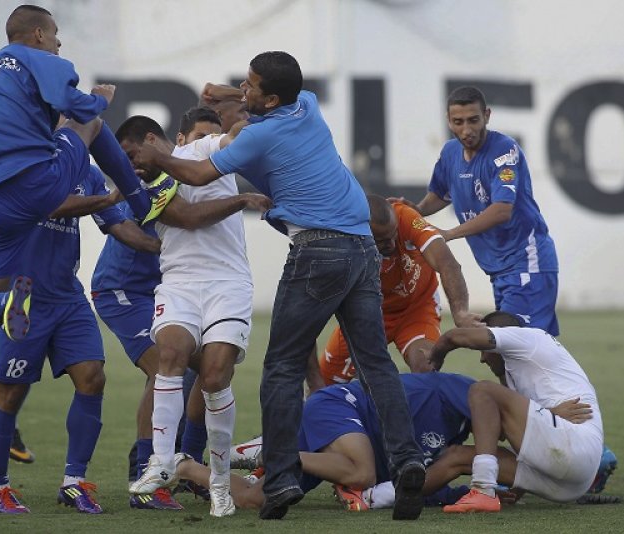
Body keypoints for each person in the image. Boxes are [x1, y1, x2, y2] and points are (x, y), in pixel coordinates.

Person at [134, 51, 426, 521]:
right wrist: (229, 94)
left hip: (317, 250)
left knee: (282, 368)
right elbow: (260, 97)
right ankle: (408, 458)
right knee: (375, 364)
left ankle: (284, 476)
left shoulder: (262, 135)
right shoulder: (306, 105)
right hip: (361, 250)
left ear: (271, 98)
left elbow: (197, 173)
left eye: (250, 88)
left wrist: (158, 155)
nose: (242, 93)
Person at [0, 4, 172, 349]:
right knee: (93, 124)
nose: (59, 45)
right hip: (34, 182)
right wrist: (101, 99)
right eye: (56, 36)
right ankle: (142, 200)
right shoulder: (44, 59)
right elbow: (77, 107)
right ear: (40, 34)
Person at [91, 110, 267, 511]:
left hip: (227, 282)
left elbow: (236, 136)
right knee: (168, 357)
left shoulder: (204, 149)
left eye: (132, 153)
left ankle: (219, 480)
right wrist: (240, 198)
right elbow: (187, 219)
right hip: (180, 282)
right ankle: (161, 461)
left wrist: (240, 114)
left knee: (215, 377)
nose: (129, 164)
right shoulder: (142, 186)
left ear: (153, 140)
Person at [0, 162, 160, 515]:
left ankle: (74, 482)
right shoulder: (27, 164)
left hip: (68, 295)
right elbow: (46, 205)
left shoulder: (88, 172)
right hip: (23, 293)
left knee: (92, 377)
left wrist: (162, 246)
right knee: (10, 391)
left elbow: (119, 225)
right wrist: (106, 197)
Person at [180, 373, 476, 512]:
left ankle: (184, 467)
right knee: (362, 473)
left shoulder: (456, 432)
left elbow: (420, 477)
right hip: (338, 407)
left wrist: (459, 493)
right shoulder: (464, 393)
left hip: (338, 447)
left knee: (253, 499)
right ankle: (271, 450)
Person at [411, 85, 559, 335]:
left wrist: (448, 233)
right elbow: (439, 195)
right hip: (498, 270)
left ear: (487, 116)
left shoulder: (504, 150)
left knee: (516, 348)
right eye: (458, 122)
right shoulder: (450, 153)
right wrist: (413, 211)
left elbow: (502, 210)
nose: (466, 130)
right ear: (448, 121)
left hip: (526, 263)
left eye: (473, 120)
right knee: (509, 353)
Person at [428, 311, 604, 512]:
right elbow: (503, 432)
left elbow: (454, 337)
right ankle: (392, 493)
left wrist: (434, 357)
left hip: (575, 448)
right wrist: (550, 413)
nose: (482, 359)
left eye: (483, 351)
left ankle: (483, 490)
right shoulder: (518, 373)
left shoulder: (530, 337)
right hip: (567, 487)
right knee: (455, 456)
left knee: (482, 390)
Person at [318, 194, 479, 377]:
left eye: (394, 233)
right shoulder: (344, 240)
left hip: (416, 308)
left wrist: (460, 313)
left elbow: (447, 263)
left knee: (426, 367)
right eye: (383, 240)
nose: (392, 243)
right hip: (368, 313)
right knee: (324, 383)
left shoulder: (405, 217)